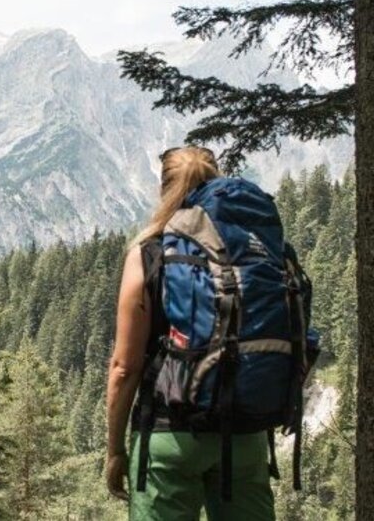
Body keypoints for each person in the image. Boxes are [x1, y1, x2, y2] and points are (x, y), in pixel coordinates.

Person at [104, 146, 278, 521]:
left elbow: (124, 366)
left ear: (164, 190)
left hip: (170, 433)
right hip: (244, 434)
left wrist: (115, 448)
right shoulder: (254, 249)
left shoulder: (149, 252)